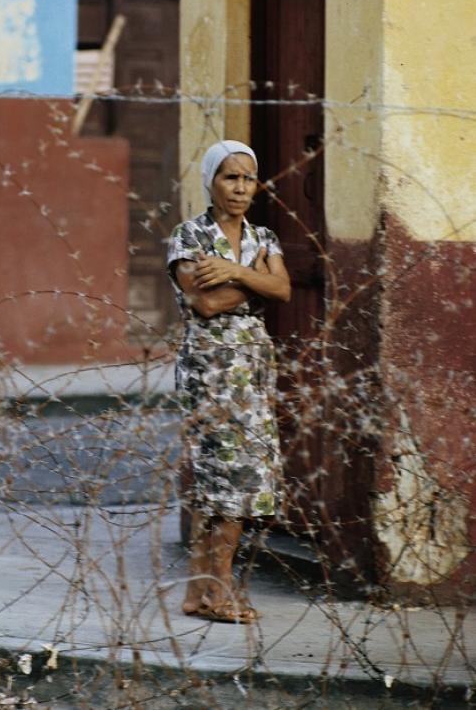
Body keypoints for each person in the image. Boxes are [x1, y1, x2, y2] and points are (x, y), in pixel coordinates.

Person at [166, 140, 291, 623]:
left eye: (248, 178)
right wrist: (255, 280)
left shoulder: (264, 237)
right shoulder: (189, 237)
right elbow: (206, 304)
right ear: (211, 183)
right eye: (230, 177)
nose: (240, 188)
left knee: (229, 480)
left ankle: (199, 594)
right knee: (228, 480)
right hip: (210, 372)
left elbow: (282, 288)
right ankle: (218, 593)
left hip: (252, 375)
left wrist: (236, 272)